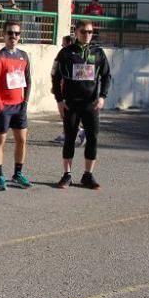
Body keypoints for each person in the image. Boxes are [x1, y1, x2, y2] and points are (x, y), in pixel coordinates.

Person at [51, 20, 111, 190]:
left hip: (91, 104)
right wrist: (59, 100)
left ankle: (88, 175)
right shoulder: (66, 53)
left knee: (92, 138)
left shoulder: (98, 53)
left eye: (90, 32)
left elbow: (106, 76)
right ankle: (67, 175)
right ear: (76, 32)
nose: (87, 35)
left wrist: (102, 97)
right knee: (69, 138)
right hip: (71, 104)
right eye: (83, 31)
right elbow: (55, 77)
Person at [0, 18, 32, 191]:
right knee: (0, 141)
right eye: (10, 33)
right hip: (3, 107)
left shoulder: (24, 56)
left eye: (16, 33)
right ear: (3, 35)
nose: (13, 36)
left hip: (19, 106)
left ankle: (18, 173)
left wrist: (26, 102)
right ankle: (0, 175)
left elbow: (28, 80)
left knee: (22, 140)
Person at [52, 35, 86, 147]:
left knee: (67, 113)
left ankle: (79, 132)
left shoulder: (69, 56)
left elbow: (56, 72)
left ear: (69, 43)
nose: (62, 46)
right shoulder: (70, 55)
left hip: (68, 90)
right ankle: (66, 133)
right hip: (70, 89)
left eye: (63, 43)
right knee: (66, 113)